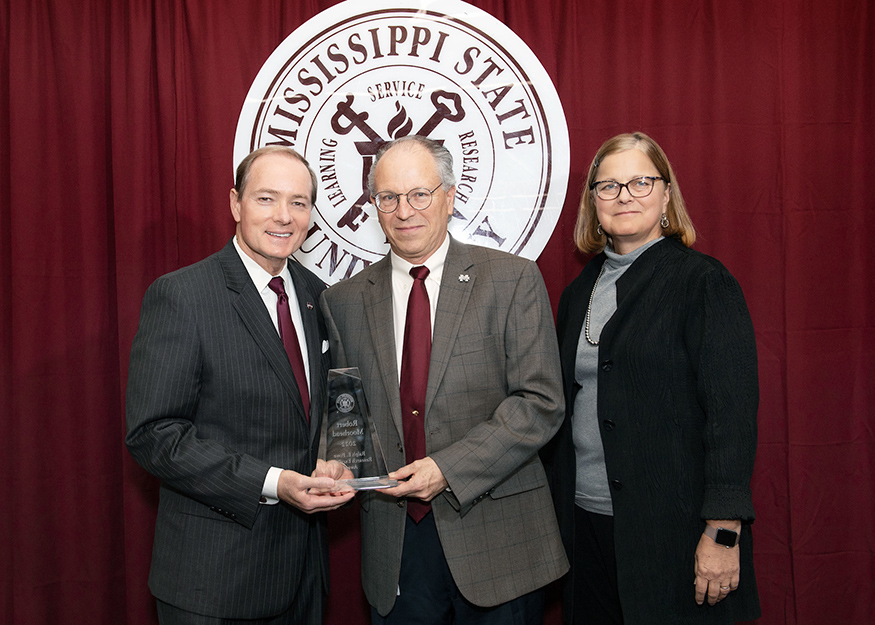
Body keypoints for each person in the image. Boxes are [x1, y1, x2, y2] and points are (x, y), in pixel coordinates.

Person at [319, 135, 568, 624]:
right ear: (374, 206)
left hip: (500, 539)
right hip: (395, 547)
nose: (404, 210)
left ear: (450, 197)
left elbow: (540, 401)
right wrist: (339, 463)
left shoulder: (511, 278)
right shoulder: (343, 300)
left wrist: (448, 469)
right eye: (388, 197)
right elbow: (348, 417)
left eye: (419, 194)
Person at [125, 146, 354, 624]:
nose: (284, 217)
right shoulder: (183, 296)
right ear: (235, 203)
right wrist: (273, 483)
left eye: (298, 202)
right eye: (266, 199)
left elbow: (317, 413)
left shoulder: (317, 296)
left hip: (304, 577)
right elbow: (154, 434)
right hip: (215, 584)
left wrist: (337, 460)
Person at [544, 132, 760, 624]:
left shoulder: (703, 283)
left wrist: (723, 532)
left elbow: (732, 414)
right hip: (584, 523)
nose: (624, 196)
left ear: (666, 195)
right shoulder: (579, 291)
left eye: (640, 182)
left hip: (675, 529)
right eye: (608, 186)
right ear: (592, 202)